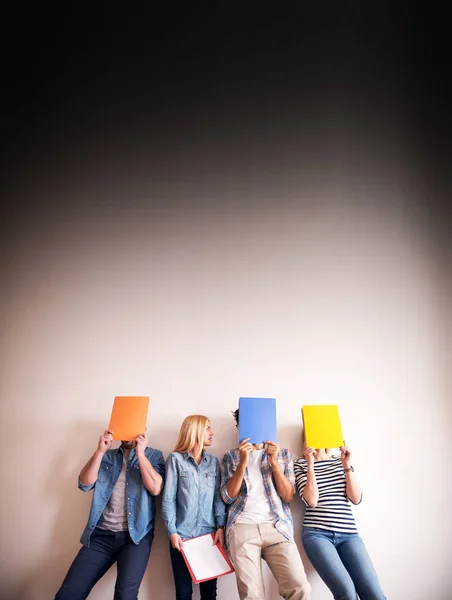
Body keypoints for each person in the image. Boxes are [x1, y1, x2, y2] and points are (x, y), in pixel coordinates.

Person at [54, 429, 165, 600]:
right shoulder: (107, 456)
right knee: (68, 594)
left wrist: (140, 454)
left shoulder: (154, 455)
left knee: (125, 596)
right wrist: (100, 451)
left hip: (135, 538)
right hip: (101, 536)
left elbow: (156, 488)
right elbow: (84, 484)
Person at [220, 409, 311, 600]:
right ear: (240, 427)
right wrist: (243, 462)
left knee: (300, 588)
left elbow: (288, 496)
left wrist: (274, 463)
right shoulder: (231, 456)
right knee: (252, 596)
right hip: (243, 525)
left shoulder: (283, 455)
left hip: (277, 526)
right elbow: (228, 496)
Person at [294, 440, 386, 600]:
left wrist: (346, 465)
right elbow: (312, 500)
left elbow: (356, 498)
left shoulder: (340, 461)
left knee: (374, 594)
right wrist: (310, 465)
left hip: (349, 535)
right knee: (346, 592)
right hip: (317, 535)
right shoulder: (300, 464)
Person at [162, 415, 226, 600]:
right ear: (195, 431)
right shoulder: (175, 460)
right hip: (182, 538)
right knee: (183, 593)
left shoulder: (213, 462)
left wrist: (220, 527)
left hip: (209, 537)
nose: (212, 433)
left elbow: (217, 498)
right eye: (207, 428)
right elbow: (168, 499)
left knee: (209, 594)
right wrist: (172, 532)